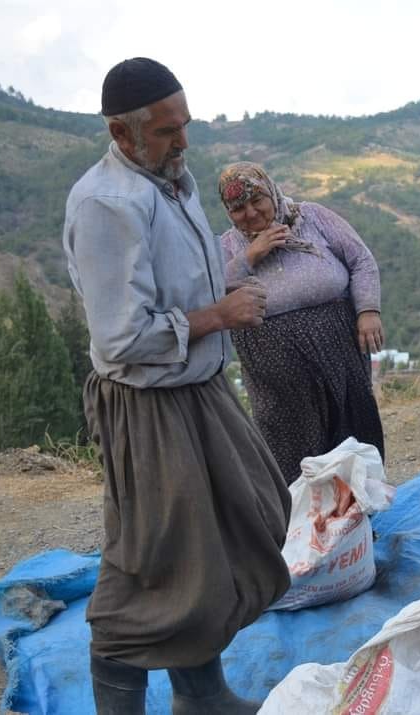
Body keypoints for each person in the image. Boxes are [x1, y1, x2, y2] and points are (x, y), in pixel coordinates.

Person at [62, 58, 291, 714]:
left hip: (200, 391)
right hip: (148, 407)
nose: (182, 142)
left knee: (227, 533)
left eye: (184, 125)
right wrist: (219, 315)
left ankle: (201, 695)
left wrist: (224, 287)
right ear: (121, 132)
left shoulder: (173, 181)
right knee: (150, 565)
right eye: (166, 131)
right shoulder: (107, 204)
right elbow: (120, 339)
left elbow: (179, 281)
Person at [218, 161, 386, 483]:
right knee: (289, 447)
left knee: (352, 432)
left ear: (272, 193)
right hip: (274, 373)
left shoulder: (311, 217)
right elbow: (209, 290)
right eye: (239, 208)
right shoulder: (227, 246)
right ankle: (302, 527)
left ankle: (357, 522)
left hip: (338, 352)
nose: (251, 213)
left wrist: (367, 310)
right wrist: (251, 256)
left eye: (258, 201)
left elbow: (360, 259)